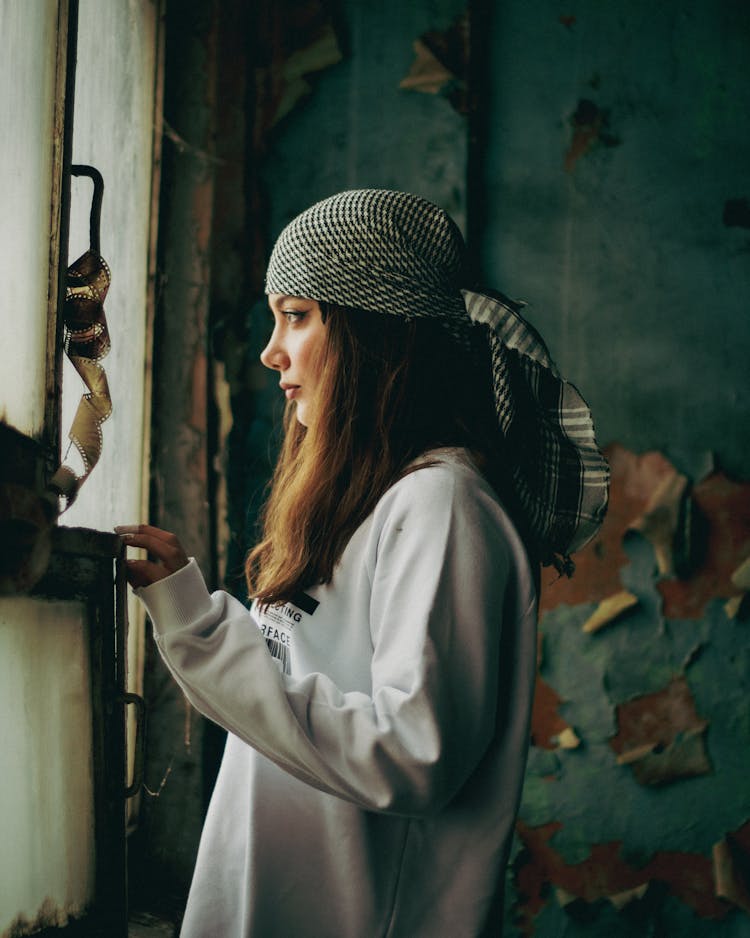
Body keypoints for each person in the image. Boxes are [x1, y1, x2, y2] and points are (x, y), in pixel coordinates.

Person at [119, 189, 609, 937]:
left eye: (297, 315)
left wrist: (201, 633)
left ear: (374, 331)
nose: (270, 351)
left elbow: (412, 754)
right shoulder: (374, 500)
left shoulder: (443, 505)